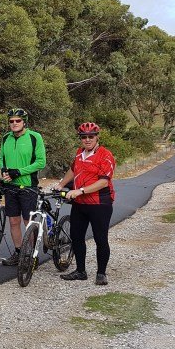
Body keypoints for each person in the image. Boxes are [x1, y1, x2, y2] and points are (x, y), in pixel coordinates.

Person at [55, 122, 116, 285]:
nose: (87, 140)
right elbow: (73, 170)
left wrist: (80, 190)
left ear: (97, 137)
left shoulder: (105, 155)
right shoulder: (79, 153)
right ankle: (80, 271)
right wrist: (61, 184)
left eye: (91, 137)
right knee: (76, 237)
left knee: (100, 239)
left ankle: (101, 273)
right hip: (80, 203)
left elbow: (103, 182)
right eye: (84, 137)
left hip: (99, 204)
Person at [0, 107, 47, 266]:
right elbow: (1, 159)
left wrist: (18, 172)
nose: (14, 123)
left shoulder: (34, 137)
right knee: (13, 221)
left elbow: (40, 162)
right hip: (10, 186)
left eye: (17, 121)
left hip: (28, 187)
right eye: (11, 121)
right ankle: (18, 252)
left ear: (24, 122)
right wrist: (5, 171)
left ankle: (32, 255)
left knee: (28, 222)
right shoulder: (6, 138)